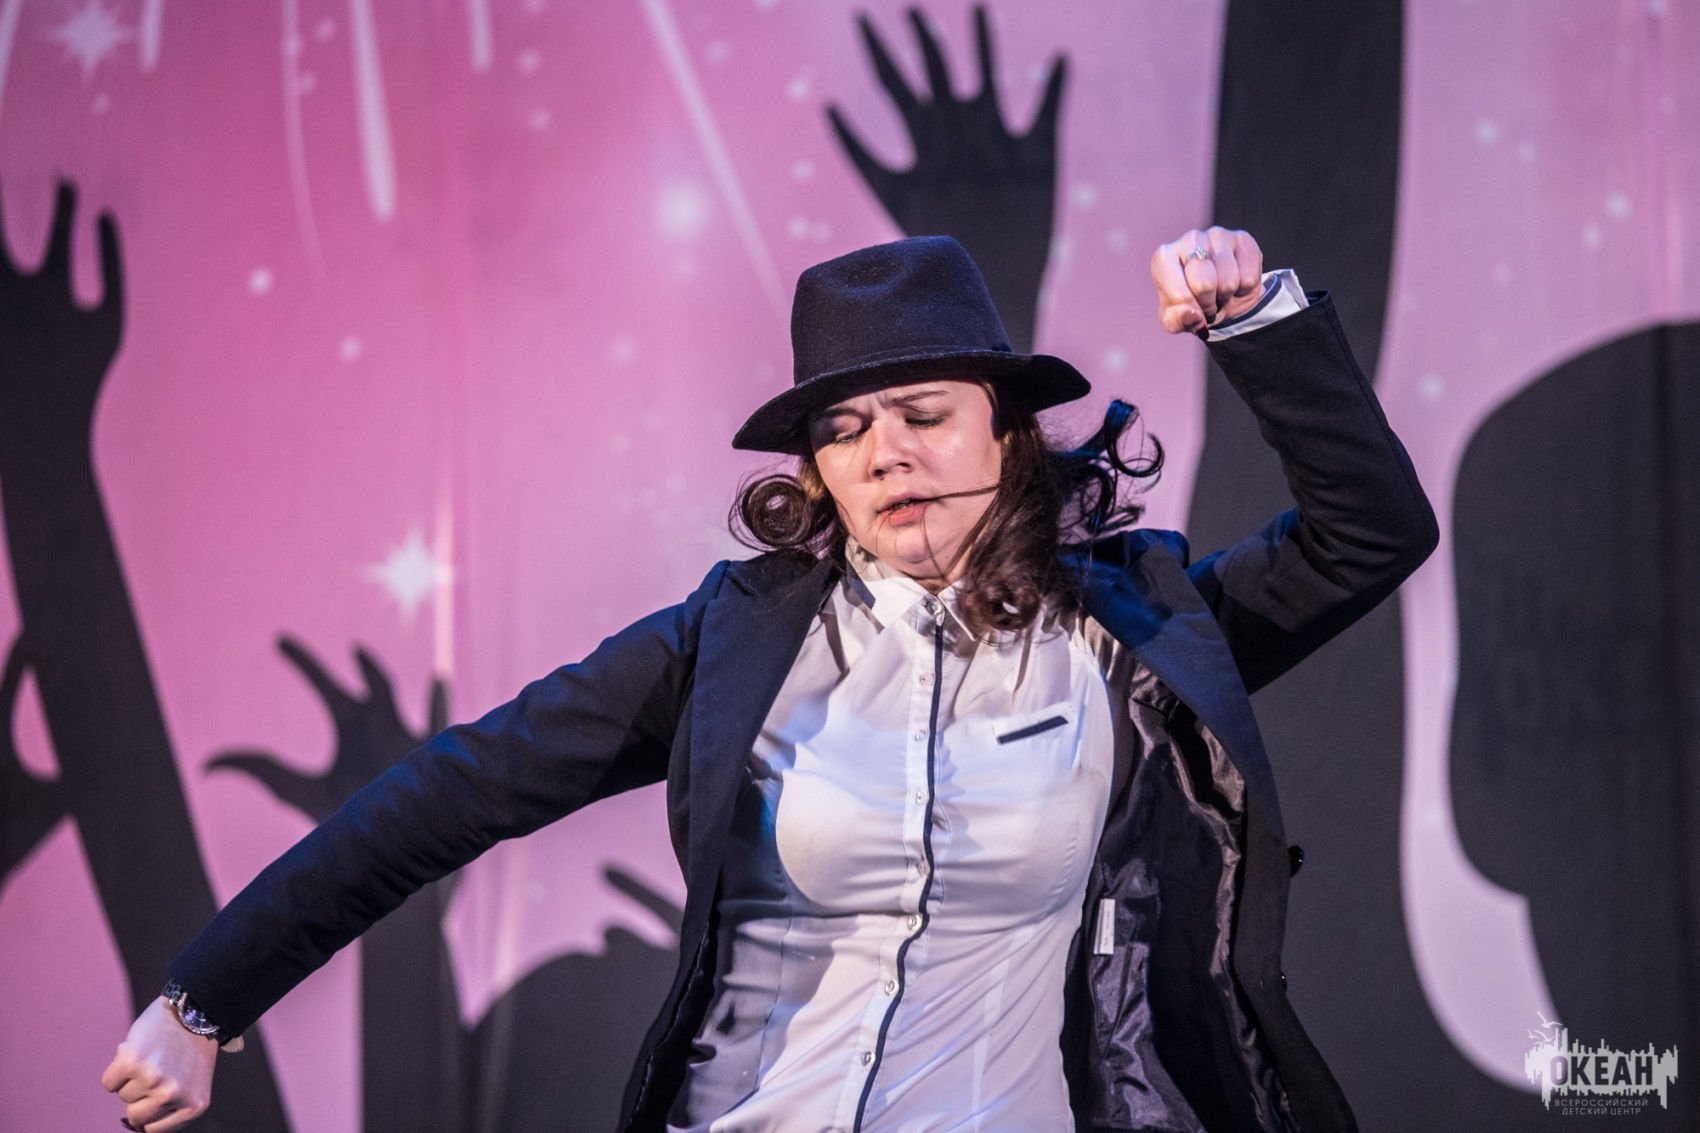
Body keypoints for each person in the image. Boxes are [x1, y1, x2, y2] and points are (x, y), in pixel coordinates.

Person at [104, 229, 1437, 1132]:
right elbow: (454, 793)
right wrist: (204, 997)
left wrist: (1261, 324)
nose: (886, 453)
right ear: (818, 474)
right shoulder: (733, 640)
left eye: (926, 415)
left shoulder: (1134, 629)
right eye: (845, 432)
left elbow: (1368, 534)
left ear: (1009, 435)